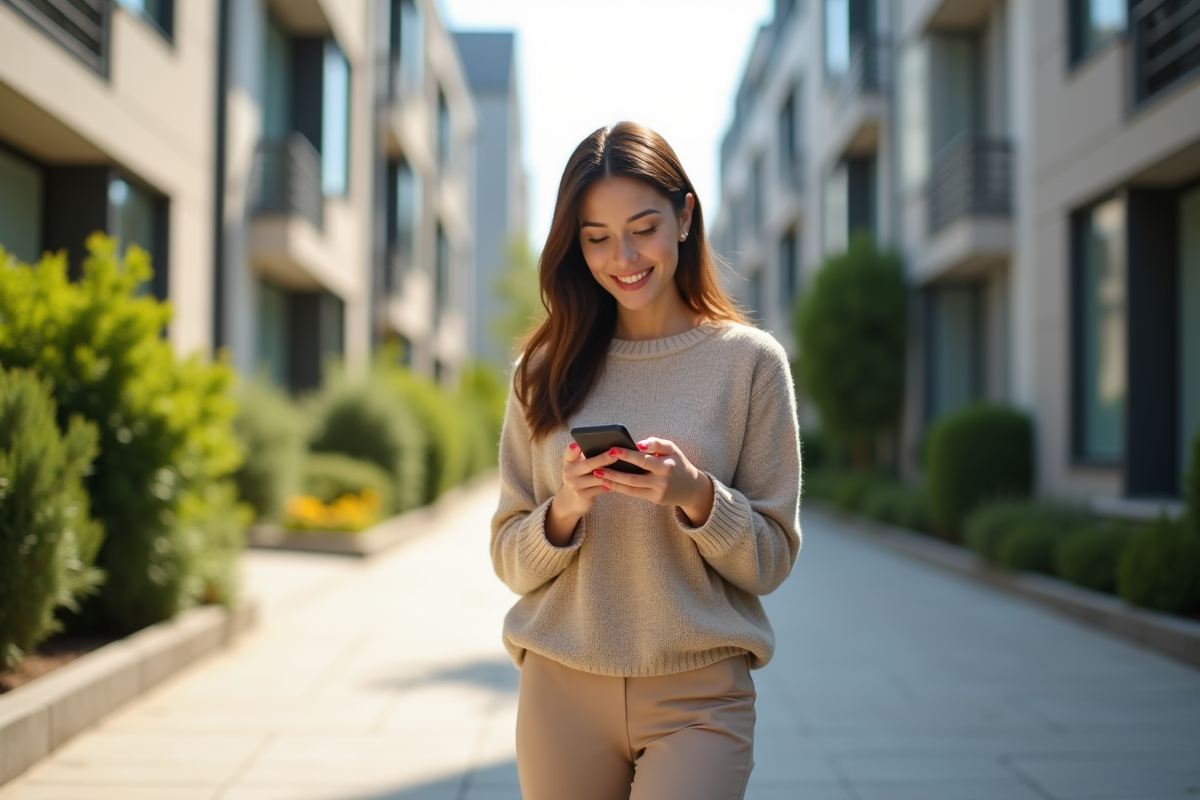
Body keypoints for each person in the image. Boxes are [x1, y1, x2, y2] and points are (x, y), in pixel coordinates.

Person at [491, 121, 802, 800]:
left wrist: (696, 496)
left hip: (699, 695)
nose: (623, 256)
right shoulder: (539, 372)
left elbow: (772, 558)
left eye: (643, 227)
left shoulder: (750, 365)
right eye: (597, 238)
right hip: (560, 687)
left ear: (685, 216)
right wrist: (566, 508)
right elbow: (510, 558)